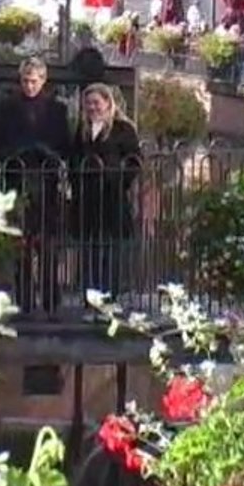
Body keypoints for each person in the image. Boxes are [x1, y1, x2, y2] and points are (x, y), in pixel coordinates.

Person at [0, 57, 72, 315]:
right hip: (17, 182)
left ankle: (50, 301)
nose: (29, 86)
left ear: (43, 81)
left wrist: (49, 153)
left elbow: (66, 146)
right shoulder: (7, 108)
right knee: (20, 245)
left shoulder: (57, 109)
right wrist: (14, 153)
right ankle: (24, 301)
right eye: (25, 81)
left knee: (48, 244)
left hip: (46, 182)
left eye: (34, 81)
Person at [69, 84, 141, 314]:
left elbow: (134, 161)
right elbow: (73, 159)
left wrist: (119, 181)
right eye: (88, 103)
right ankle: (90, 299)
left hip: (112, 197)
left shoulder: (123, 129)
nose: (92, 108)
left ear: (108, 103)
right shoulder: (81, 129)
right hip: (87, 198)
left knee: (111, 250)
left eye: (96, 103)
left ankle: (110, 297)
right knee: (89, 248)